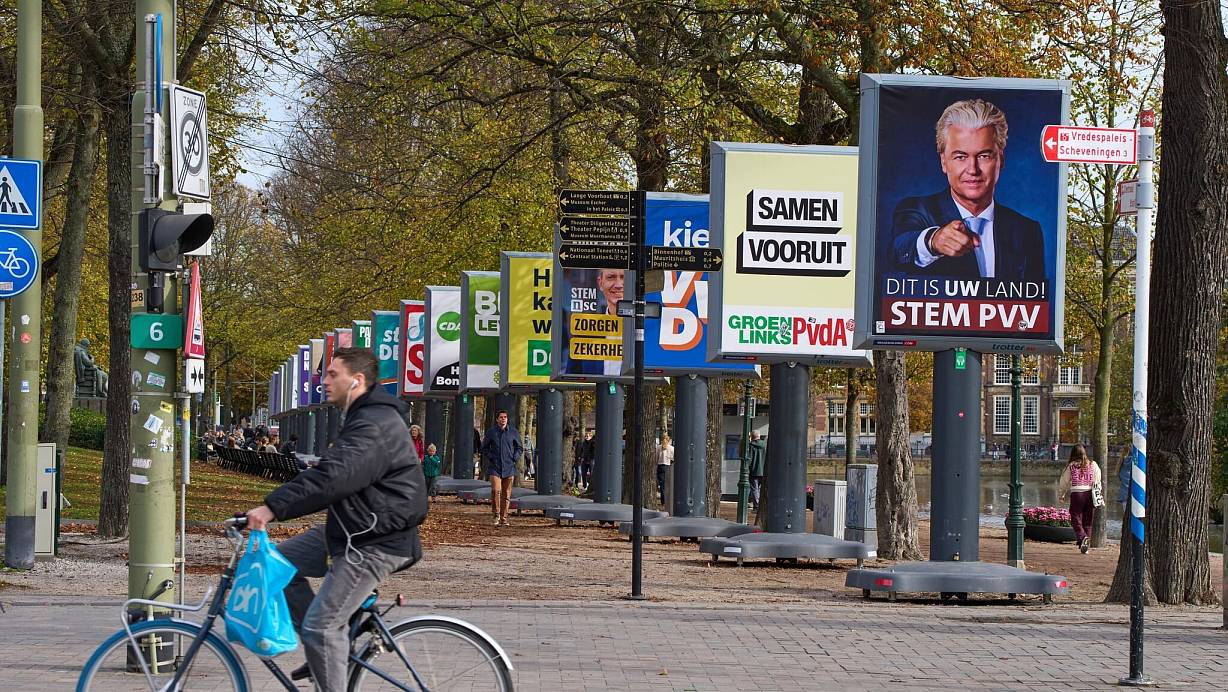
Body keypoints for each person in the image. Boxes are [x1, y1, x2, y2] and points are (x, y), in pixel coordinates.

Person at [243, 347, 427, 689]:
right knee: (278, 565)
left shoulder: (374, 424)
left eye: (331, 374)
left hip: (376, 541)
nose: (323, 380)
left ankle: (326, 645)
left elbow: (332, 478)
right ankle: (326, 653)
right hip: (352, 529)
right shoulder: (361, 417)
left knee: (320, 627)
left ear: (355, 380)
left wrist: (272, 508)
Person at [890, 99, 1045, 282]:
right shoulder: (916, 210)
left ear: (1000, 160)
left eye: (984, 156)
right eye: (960, 157)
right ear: (944, 162)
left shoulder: (1027, 230)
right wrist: (933, 241)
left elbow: (1035, 304)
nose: (972, 169)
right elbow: (899, 248)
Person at [1057, 443, 1101, 554]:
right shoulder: (1093, 464)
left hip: (1077, 494)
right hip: (1090, 493)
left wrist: (1061, 494)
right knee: (1088, 520)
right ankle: (1085, 545)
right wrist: (1098, 494)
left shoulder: (1071, 466)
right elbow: (1097, 480)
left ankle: (1082, 538)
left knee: (1075, 518)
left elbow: (1064, 481)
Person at [481, 410, 522, 526]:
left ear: (507, 419)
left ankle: (504, 518)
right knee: (496, 490)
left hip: (509, 467)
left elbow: (519, 447)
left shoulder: (513, 432)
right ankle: (496, 514)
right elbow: (484, 448)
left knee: (507, 494)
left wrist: (515, 457)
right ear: (497, 419)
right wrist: (491, 457)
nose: (503, 419)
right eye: (501, 417)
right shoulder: (491, 432)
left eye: (505, 417)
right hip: (495, 467)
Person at [747, 430, 766, 512]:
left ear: (752, 437)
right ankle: (762, 506)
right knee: (762, 489)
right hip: (764, 471)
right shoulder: (765, 445)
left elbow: (749, 459)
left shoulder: (751, 446)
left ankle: (757, 507)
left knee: (755, 489)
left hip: (754, 471)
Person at [654, 434, 674, 507]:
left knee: (662, 486)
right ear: (669, 440)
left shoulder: (658, 447)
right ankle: (669, 501)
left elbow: (656, 458)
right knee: (668, 485)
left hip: (660, 466)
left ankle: (663, 502)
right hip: (667, 467)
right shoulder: (671, 448)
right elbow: (674, 458)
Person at [1117, 448, 1133, 515]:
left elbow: (1120, 478)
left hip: (1124, 496)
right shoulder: (1136, 463)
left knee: (1126, 516)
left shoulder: (1121, 464)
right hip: (1136, 495)